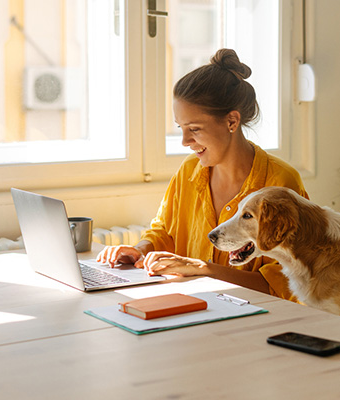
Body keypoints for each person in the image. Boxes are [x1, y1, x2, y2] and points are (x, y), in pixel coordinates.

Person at [95, 49, 307, 300]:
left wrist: (205, 271)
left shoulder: (281, 183)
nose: (185, 141)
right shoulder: (188, 171)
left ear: (231, 121)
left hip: (256, 320)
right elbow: (165, 232)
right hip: (191, 307)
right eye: (181, 128)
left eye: (194, 128)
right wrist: (139, 250)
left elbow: (283, 285)